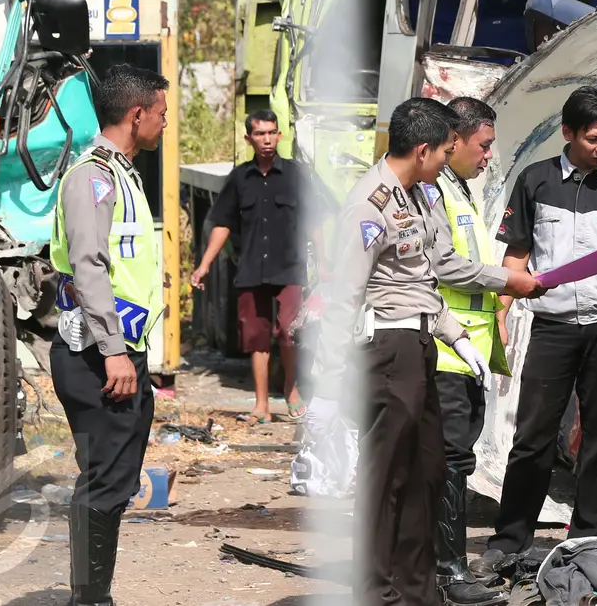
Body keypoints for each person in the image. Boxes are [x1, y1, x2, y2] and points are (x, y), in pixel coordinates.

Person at [302, 97, 498, 606]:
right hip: (386, 350)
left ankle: (417, 589)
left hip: (418, 345)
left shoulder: (415, 196)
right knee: (385, 477)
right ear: (424, 149)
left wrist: (456, 335)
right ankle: (376, 592)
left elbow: (422, 281)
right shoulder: (370, 204)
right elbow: (346, 293)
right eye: (446, 149)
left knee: (426, 470)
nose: (450, 158)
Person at [474, 85, 597, 570]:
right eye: (593, 138)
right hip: (552, 327)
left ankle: (587, 537)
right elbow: (516, 254)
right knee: (534, 433)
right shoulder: (535, 181)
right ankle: (510, 537)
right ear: (568, 133)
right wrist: (500, 312)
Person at [48, 63, 170, 606]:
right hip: (100, 356)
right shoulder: (91, 176)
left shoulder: (121, 174)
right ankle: (90, 598)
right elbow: (89, 266)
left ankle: (93, 595)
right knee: (103, 481)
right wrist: (114, 351)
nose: (165, 123)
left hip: (122, 353)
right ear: (136, 113)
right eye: (162, 113)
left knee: (115, 480)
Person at [425, 97, 543, 605]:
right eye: (484, 145)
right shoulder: (435, 194)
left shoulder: (460, 191)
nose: (489, 156)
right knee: (449, 462)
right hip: (444, 351)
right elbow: (446, 266)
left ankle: (447, 570)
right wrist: (508, 279)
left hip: (468, 351)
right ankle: (448, 573)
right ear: (455, 139)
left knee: (458, 461)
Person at [190, 109, 333, 423]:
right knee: (256, 338)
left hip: (290, 269)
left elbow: (316, 221)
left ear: (279, 135)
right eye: (260, 134)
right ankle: (261, 405)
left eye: (272, 133)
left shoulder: (297, 175)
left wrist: (323, 264)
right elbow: (223, 224)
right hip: (252, 270)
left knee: (290, 333)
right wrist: (203, 266)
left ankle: (292, 392)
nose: (267, 139)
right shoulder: (240, 178)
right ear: (248, 139)